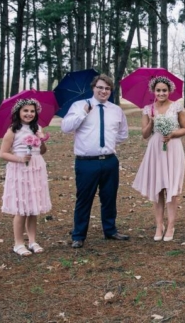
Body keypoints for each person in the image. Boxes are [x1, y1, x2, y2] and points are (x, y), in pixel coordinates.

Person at [61, 74, 129, 249]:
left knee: (109, 197)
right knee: (84, 199)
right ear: (93, 88)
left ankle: (110, 230)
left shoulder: (116, 110)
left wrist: (108, 144)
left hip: (109, 161)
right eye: (100, 87)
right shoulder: (79, 106)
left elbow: (123, 134)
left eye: (107, 88)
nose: (103, 91)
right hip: (86, 162)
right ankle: (79, 235)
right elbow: (66, 127)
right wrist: (84, 112)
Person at [132, 76, 185, 242]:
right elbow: (144, 135)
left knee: (172, 189)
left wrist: (172, 134)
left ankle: (171, 226)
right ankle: (159, 225)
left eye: (164, 90)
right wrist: (150, 121)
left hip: (173, 148)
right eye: (158, 90)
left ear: (169, 91)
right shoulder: (148, 108)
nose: (161, 93)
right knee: (157, 189)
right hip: (156, 149)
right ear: (153, 91)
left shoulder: (177, 107)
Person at [0, 98, 51, 256]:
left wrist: (41, 139)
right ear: (18, 112)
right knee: (21, 208)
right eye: (25, 111)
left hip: (36, 169)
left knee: (33, 208)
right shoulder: (13, 130)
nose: (29, 114)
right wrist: (20, 159)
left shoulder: (37, 128)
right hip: (20, 170)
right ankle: (18, 243)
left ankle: (32, 240)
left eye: (32, 111)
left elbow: (42, 151)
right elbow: (3, 153)